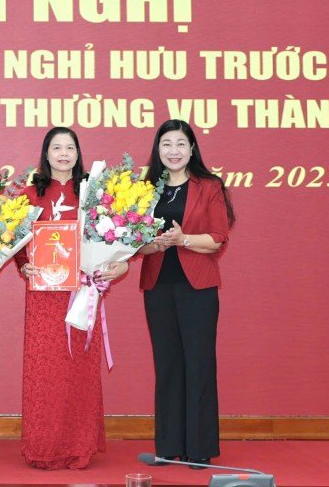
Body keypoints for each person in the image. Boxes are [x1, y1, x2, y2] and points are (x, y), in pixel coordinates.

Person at [13, 127, 126, 469]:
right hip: (44, 297)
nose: (63, 153)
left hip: (82, 293)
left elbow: (114, 237)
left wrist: (113, 266)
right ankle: (43, 447)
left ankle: (79, 447)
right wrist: (24, 266)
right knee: (45, 371)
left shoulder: (94, 193)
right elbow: (17, 244)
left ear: (78, 153)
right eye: (56, 147)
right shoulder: (30, 194)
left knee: (78, 368)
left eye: (70, 147)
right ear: (45, 154)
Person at [136, 119, 235, 467]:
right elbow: (134, 245)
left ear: (191, 149)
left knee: (199, 364)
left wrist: (183, 240)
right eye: (167, 144)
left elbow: (218, 238)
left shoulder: (209, 186)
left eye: (180, 144)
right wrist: (152, 244)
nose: (173, 151)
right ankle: (168, 445)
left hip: (198, 287)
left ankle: (199, 448)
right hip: (158, 285)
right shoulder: (144, 189)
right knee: (167, 366)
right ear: (157, 149)